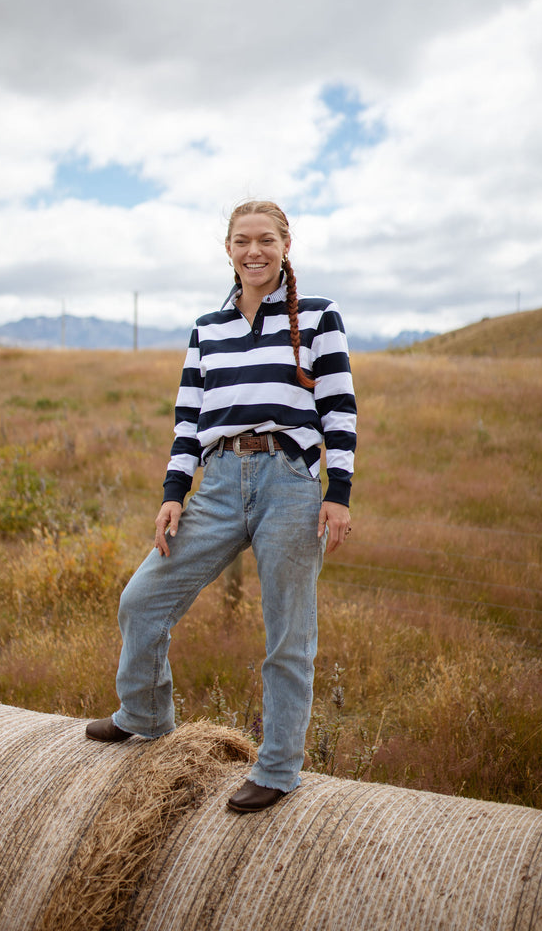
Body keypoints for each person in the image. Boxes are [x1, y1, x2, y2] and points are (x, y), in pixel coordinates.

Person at [86, 200, 357, 812]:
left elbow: (339, 411)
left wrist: (336, 495)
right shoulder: (208, 327)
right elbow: (188, 421)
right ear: (228, 248)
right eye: (242, 241)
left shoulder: (318, 317)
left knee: (289, 632)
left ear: (286, 245)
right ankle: (146, 715)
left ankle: (280, 767)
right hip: (218, 481)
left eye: (266, 240)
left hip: (290, 481)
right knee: (142, 599)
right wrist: (173, 495)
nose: (254, 251)